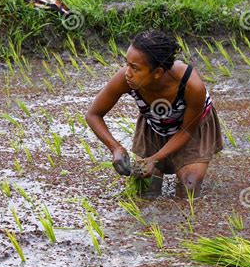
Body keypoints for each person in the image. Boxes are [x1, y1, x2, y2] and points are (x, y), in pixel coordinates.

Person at [86, 31, 223, 198]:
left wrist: (156, 158)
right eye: (127, 64)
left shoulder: (191, 86)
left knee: (189, 187)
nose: (127, 72)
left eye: (135, 68)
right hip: (155, 125)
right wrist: (115, 148)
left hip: (190, 130)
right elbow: (93, 114)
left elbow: (187, 130)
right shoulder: (126, 78)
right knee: (146, 189)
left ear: (157, 72)